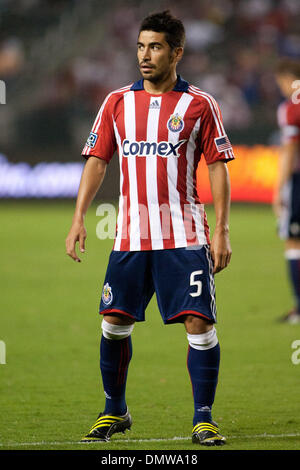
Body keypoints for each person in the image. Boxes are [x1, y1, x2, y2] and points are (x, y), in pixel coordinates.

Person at [66, 10, 234, 446]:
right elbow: (98, 160)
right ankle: (114, 410)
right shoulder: (116, 102)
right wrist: (78, 216)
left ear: (177, 52)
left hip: (185, 234)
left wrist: (222, 230)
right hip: (130, 236)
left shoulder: (199, 104)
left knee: (198, 322)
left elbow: (218, 166)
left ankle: (203, 418)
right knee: (113, 322)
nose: (145, 54)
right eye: (141, 46)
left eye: (155, 46)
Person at [273, 58, 300, 324]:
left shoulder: (291, 107)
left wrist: (278, 189)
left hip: (299, 180)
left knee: (294, 241)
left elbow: (290, 149)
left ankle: (299, 309)